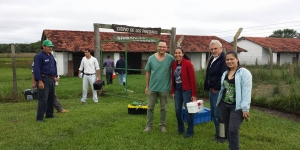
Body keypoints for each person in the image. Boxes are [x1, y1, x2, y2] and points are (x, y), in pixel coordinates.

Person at [217, 51, 252, 150]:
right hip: (224, 105)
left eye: (232, 59)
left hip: (236, 106)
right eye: (227, 59)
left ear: (237, 59)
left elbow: (246, 90)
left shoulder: (244, 73)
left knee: (233, 130)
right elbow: (223, 89)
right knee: (229, 130)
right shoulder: (225, 73)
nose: (229, 61)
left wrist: (245, 108)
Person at [143, 40, 175, 132]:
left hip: (164, 88)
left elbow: (179, 61)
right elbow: (148, 72)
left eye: (164, 47)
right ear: (157, 47)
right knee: (150, 107)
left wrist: (189, 62)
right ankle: (149, 125)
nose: (162, 48)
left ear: (166, 48)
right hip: (152, 87)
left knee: (164, 108)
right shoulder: (151, 58)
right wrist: (147, 86)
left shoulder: (170, 58)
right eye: (160, 46)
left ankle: (162, 125)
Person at [204, 39, 227, 142]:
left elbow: (223, 75)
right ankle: (218, 133)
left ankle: (222, 137)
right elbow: (208, 74)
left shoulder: (224, 59)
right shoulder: (212, 58)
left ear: (221, 48)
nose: (213, 51)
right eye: (212, 49)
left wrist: (215, 88)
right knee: (213, 113)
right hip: (211, 89)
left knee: (218, 114)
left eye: (215, 48)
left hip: (217, 91)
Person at [171, 47, 197, 138]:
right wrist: (173, 91)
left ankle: (190, 131)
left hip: (187, 91)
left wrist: (194, 94)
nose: (177, 55)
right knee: (177, 110)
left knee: (188, 111)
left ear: (182, 54)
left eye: (179, 53)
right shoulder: (174, 64)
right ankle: (180, 128)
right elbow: (173, 79)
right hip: (177, 91)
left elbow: (193, 79)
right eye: (176, 53)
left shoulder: (187, 63)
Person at [33, 39, 58, 122]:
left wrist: (55, 76)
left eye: (51, 47)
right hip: (44, 79)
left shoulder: (51, 56)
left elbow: (54, 66)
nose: (50, 48)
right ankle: (40, 118)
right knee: (43, 99)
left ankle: (49, 114)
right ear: (43, 46)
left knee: (51, 98)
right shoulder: (39, 56)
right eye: (49, 47)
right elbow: (36, 69)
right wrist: (39, 81)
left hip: (51, 79)